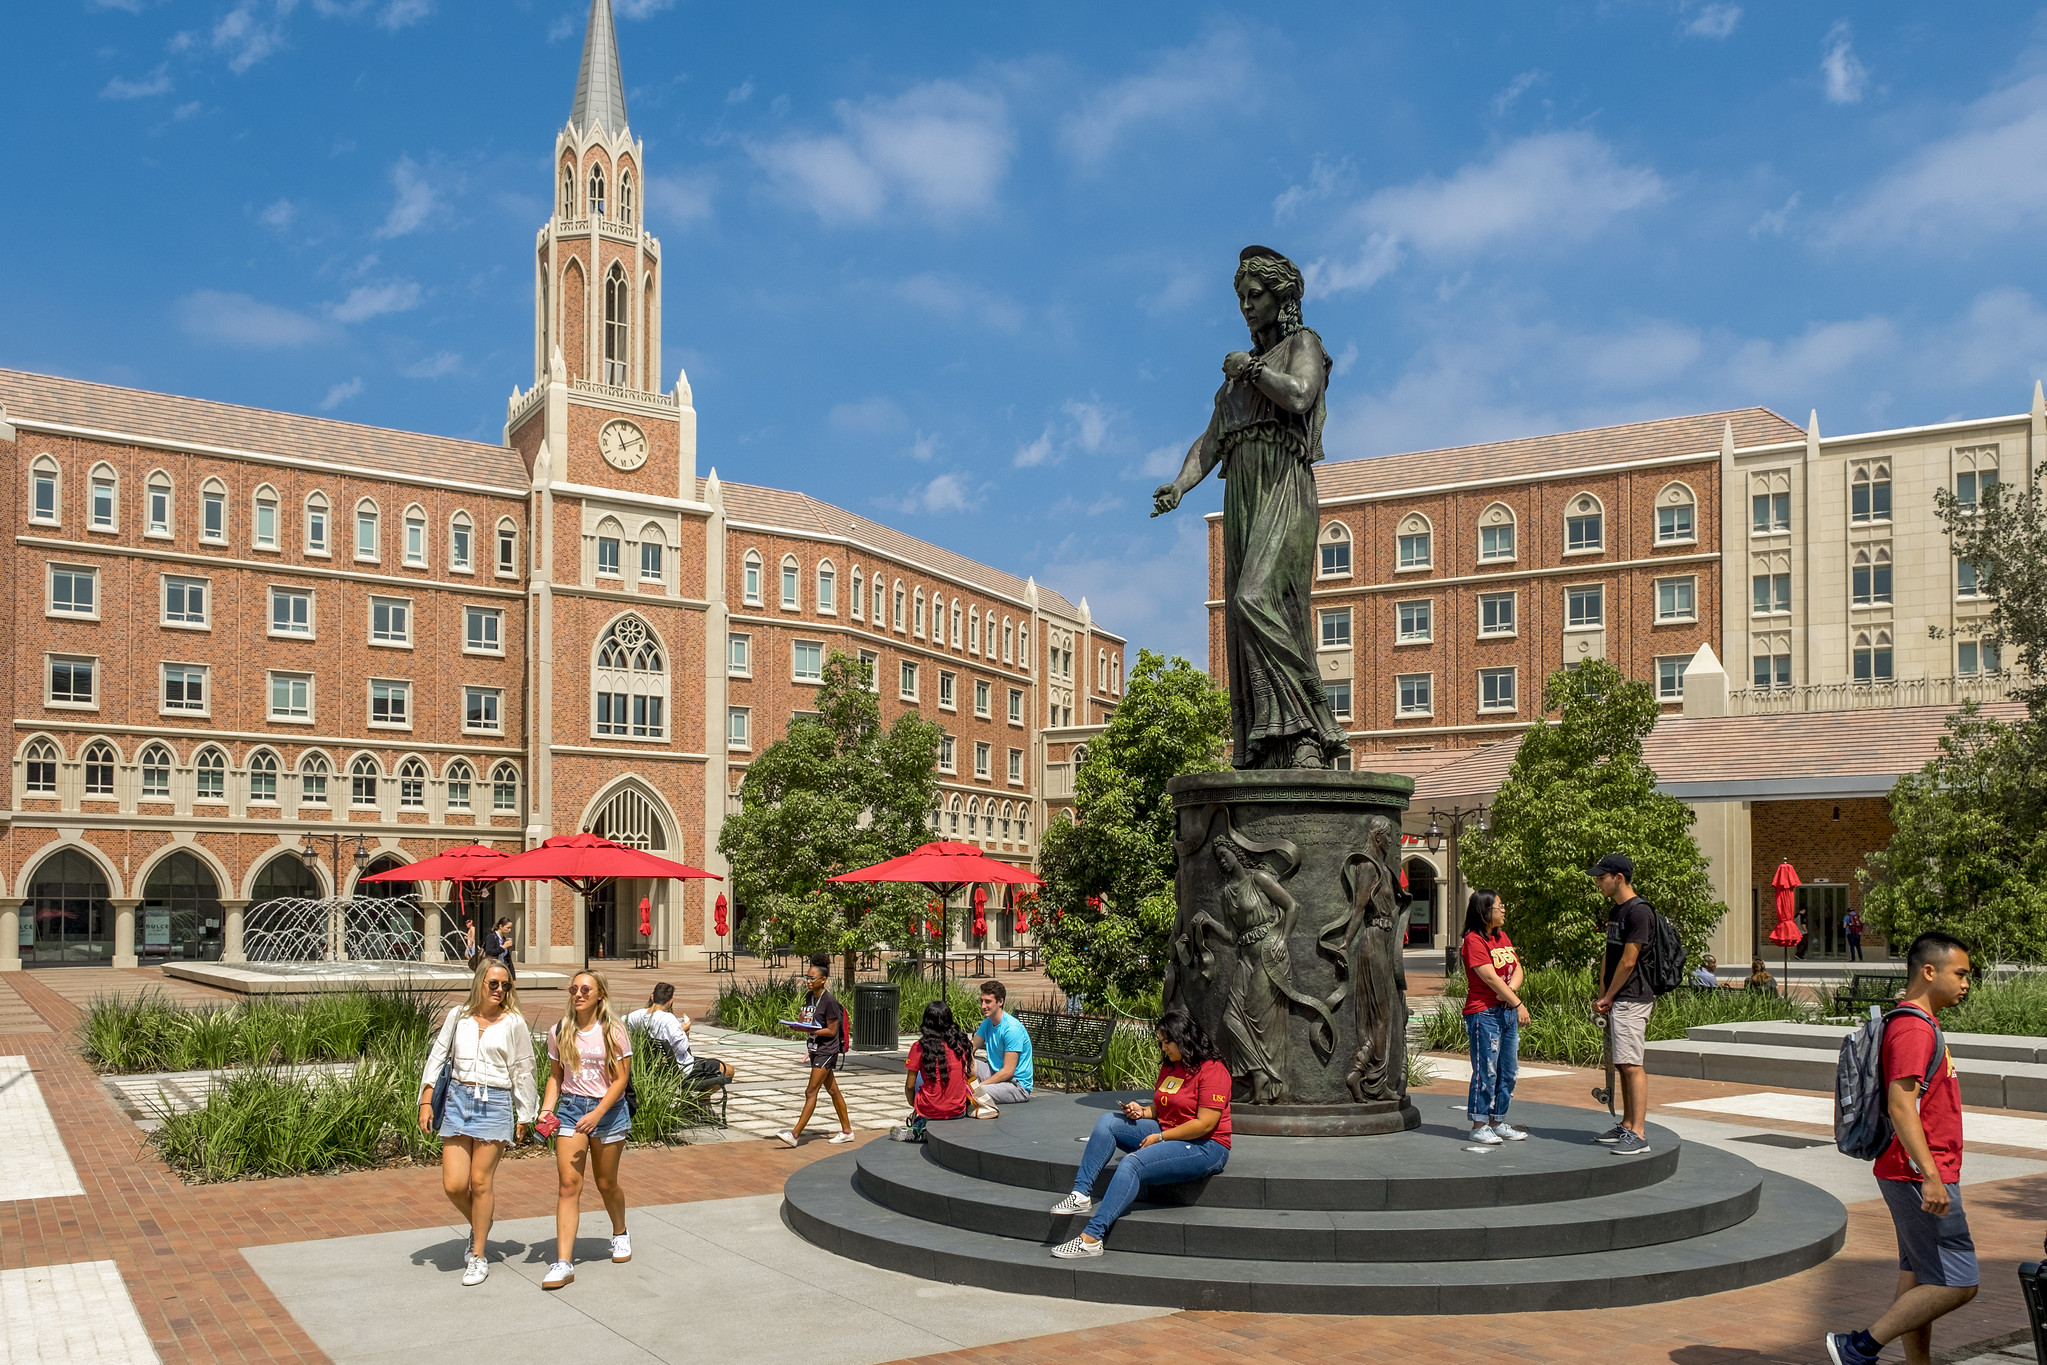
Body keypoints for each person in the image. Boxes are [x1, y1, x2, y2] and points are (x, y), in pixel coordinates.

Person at [1149, 246, 1346, 770]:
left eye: (1254, 296)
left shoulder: (1303, 344)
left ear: (1281, 298)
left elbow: (1301, 394)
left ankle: (1310, 726)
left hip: (1283, 484)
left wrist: (1255, 370)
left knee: (1259, 599)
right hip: (1241, 494)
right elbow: (1209, 443)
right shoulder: (1232, 385)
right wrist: (1179, 485)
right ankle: (1270, 742)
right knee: (1242, 616)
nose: (1245, 307)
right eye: (1240, 298)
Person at [1826, 932, 1978, 1365]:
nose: (1967, 983)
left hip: (1911, 1170)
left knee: (1918, 1279)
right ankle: (1857, 1347)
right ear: (1929, 972)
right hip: (1918, 1174)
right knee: (1959, 1282)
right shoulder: (1912, 1027)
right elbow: (1900, 1104)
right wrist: (1931, 1175)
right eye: (1960, 973)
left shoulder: (1916, 1021)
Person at [1049, 1007, 1231, 1258]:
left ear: (1185, 1038)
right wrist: (1143, 1112)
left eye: (1168, 1042)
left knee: (1132, 1164)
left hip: (1205, 1146)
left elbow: (1205, 1124)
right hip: (1168, 1130)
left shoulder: (1213, 1070)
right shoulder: (1172, 1065)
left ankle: (1091, 1238)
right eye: (1161, 1043)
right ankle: (1080, 1194)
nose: (1164, 1048)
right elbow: (1164, 1105)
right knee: (1108, 1123)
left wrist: (1161, 1138)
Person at [417, 959, 536, 1287]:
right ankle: (481, 1222)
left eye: (505, 985)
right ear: (480, 983)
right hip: (456, 1099)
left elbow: (524, 1069)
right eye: (493, 984)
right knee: (454, 1185)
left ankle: (479, 1254)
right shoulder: (459, 1017)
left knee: (480, 1183)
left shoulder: (514, 1023)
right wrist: (426, 1101)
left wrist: (525, 1113)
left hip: (495, 1103)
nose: (499, 990)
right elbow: (437, 1057)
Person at [537, 971, 633, 1290]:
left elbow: (620, 1079)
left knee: (606, 1183)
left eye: (585, 989)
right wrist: (546, 1110)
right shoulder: (559, 1030)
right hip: (570, 1110)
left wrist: (598, 1112)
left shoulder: (614, 1031)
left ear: (600, 994)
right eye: (574, 989)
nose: (578, 994)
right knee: (568, 1185)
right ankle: (563, 1262)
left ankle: (620, 1232)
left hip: (607, 1110)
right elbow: (554, 1077)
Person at [1590, 853, 1655, 1157]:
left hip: (1632, 996)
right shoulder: (1617, 911)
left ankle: (1639, 1133)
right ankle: (1627, 1125)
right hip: (1618, 997)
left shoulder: (1639, 912)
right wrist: (1603, 991)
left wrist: (1609, 995)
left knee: (1632, 1065)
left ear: (1618, 877)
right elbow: (1610, 954)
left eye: (1601, 877)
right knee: (1622, 1063)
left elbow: (1629, 961)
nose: (1598, 882)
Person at [1460, 890, 1528, 1145]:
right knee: (1486, 1070)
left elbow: (1517, 967)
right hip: (1484, 1013)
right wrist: (1516, 1002)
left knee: (1508, 1071)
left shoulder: (1501, 937)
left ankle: (1497, 1121)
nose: (1503, 909)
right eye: (1499, 906)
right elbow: (1488, 976)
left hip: (1506, 1012)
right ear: (1484, 910)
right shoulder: (1473, 940)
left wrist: (1510, 995)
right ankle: (1479, 1124)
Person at [774, 954, 854, 1148]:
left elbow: (832, 1031)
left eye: (812, 978)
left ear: (823, 980)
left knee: (811, 1091)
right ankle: (847, 1131)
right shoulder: (810, 997)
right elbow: (806, 1018)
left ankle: (794, 1134)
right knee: (833, 1090)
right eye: (806, 977)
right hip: (814, 1048)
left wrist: (808, 1029)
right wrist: (799, 1024)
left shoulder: (830, 1002)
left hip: (827, 1050)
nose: (808, 981)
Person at [892, 1001, 974, 1141]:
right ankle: (923, 1126)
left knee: (919, 1079)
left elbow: (910, 1086)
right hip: (958, 1111)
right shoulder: (961, 1044)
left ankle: (920, 1124)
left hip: (929, 1110)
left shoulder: (919, 1047)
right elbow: (970, 1074)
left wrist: (915, 1105)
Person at [624, 982, 733, 1083]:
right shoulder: (668, 1019)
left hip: (656, 1066)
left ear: (652, 997)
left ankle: (700, 1100)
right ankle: (704, 1098)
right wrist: (683, 1030)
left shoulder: (637, 1016)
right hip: (681, 1068)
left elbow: (620, 1022)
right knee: (728, 1070)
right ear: (671, 1001)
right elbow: (681, 1048)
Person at [973, 979, 1033, 1108]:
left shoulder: (1012, 1029)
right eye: (981, 1001)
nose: (983, 1006)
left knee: (975, 1093)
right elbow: (969, 1048)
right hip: (995, 1072)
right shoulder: (988, 1023)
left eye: (988, 1001)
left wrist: (979, 1086)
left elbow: (1008, 1071)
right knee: (964, 1062)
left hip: (1016, 1085)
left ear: (1000, 1002)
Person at [485, 916, 516, 981]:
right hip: (492, 969)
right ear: (501, 926)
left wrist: (512, 976)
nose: (509, 930)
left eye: (510, 928)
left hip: (502, 969)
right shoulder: (492, 936)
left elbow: (508, 959)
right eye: (508, 928)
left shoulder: (504, 939)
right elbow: (489, 952)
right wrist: (503, 947)